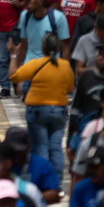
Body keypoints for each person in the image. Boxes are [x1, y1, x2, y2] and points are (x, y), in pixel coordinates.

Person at [9, 33, 73, 181]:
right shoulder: (66, 66)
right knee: (56, 147)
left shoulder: (34, 64)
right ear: (57, 49)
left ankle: (41, 181)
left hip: (37, 111)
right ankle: (56, 182)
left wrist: (13, 55)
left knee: (40, 147)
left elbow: (13, 76)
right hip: (59, 110)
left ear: (42, 48)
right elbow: (69, 88)